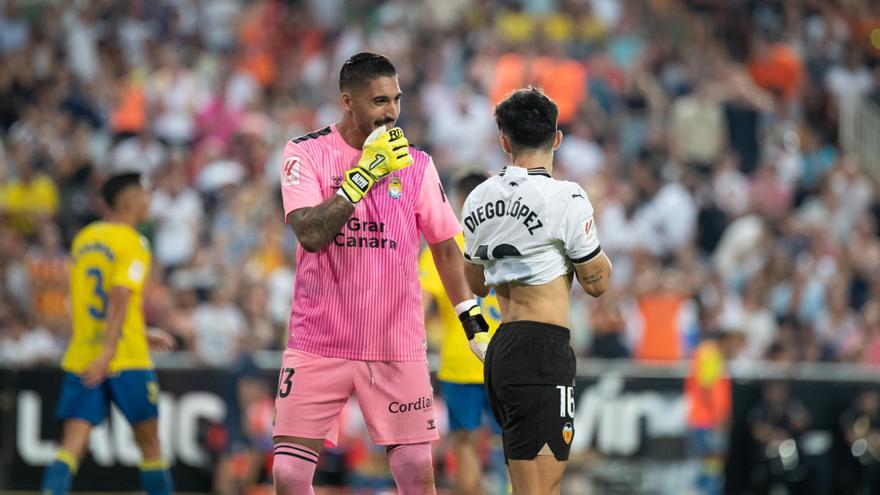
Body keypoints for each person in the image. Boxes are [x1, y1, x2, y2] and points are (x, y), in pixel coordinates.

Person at [274, 52, 488, 495]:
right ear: (347, 102)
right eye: (379, 101)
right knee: (289, 475)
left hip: (396, 344)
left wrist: (471, 317)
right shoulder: (304, 153)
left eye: (396, 99)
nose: (391, 112)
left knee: (416, 473)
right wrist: (365, 173)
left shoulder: (418, 164)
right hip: (319, 342)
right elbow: (310, 234)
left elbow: (446, 248)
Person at [461, 86, 612, 494]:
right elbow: (597, 283)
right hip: (542, 350)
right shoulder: (567, 197)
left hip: (503, 349)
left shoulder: (477, 198)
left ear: (504, 142)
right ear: (557, 138)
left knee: (536, 486)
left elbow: (475, 284)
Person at [41, 172, 175, 495]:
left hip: (83, 355)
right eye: (145, 193)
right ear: (129, 201)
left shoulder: (84, 239)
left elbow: (84, 302)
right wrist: (110, 351)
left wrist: (139, 330)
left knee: (71, 445)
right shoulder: (134, 242)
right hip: (124, 357)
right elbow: (118, 294)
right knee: (150, 446)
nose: (149, 199)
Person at [418, 170, 506, 495]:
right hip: (504, 359)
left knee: (466, 446)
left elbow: (420, 305)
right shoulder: (508, 242)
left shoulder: (442, 248)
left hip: (460, 359)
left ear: (457, 200)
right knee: (517, 444)